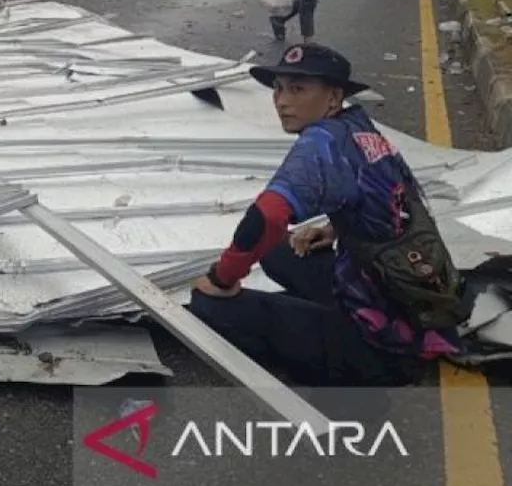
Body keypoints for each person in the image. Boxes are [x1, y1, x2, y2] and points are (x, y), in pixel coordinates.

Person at [188, 43, 470, 386]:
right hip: (405, 295)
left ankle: (341, 372)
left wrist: (221, 280)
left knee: (209, 304)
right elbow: (396, 204)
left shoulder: (321, 144)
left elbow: (265, 219)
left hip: (380, 340)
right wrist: (334, 231)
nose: (282, 101)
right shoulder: (360, 128)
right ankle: (329, 326)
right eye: (278, 89)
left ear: (333, 97)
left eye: (298, 89)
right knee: (281, 252)